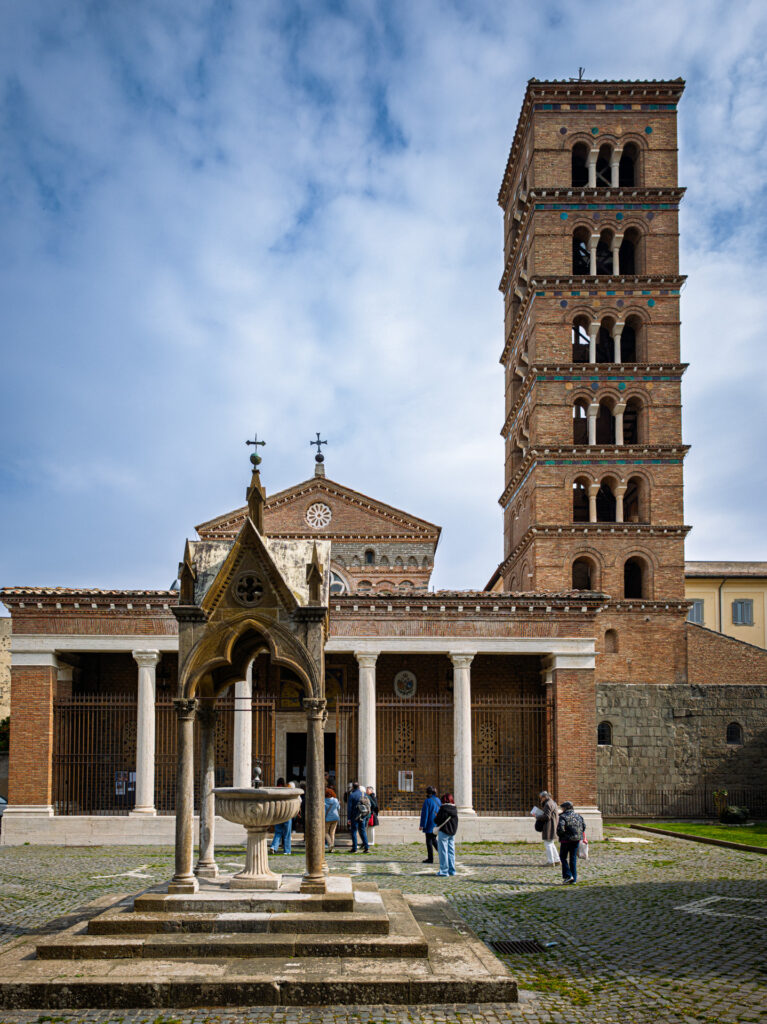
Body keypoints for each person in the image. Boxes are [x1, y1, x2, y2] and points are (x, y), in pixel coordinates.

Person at [556, 800, 586, 884]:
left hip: (566, 840)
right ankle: (574, 878)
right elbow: (583, 826)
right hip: (576, 840)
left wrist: (561, 835)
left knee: (563, 857)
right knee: (573, 859)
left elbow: (560, 828)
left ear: (565, 808)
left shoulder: (563, 816)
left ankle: (568, 875)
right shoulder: (578, 816)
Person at [433, 793, 458, 877]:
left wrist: (437, 816)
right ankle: (452, 870)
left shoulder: (443, 809)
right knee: (451, 851)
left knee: (443, 851)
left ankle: (444, 871)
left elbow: (437, 820)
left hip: (444, 832)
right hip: (452, 832)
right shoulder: (454, 809)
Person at [269, 779, 293, 855]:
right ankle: (287, 850)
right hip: (287, 814)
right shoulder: (287, 791)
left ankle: (274, 846)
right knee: (287, 833)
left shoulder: (275, 791)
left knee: (278, 832)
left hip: (278, 814)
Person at [346, 781, 371, 853]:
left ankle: (354, 848)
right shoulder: (363, 794)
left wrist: (349, 818)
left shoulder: (352, 795)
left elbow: (349, 807)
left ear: (353, 787)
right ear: (359, 787)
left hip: (354, 816)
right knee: (363, 831)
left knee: (354, 831)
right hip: (363, 815)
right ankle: (366, 847)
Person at [419, 786, 441, 864]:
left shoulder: (427, 801)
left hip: (429, 823)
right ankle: (442, 855)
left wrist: (422, 825)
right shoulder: (438, 800)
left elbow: (425, 814)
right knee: (434, 840)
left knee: (429, 842)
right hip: (436, 823)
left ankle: (430, 858)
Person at [538, 790, 559, 866]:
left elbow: (547, 816)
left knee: (548, 844)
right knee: (551, 843)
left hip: (549, 826)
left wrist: (537, 816)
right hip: (553, 825)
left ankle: (551, 861)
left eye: (541, 798)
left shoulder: (548, 804)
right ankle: (557, 859)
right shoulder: (553, 803)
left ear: (544, 797)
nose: (541, 799)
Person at [324, 787, 340, 853]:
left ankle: (330, 844)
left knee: (325, 832)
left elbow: (324, 811)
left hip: (327, 818)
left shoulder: (324, 800)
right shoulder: (335, 800)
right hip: (335, 818)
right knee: (332, 833)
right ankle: (332, 848)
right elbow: (339, 808)